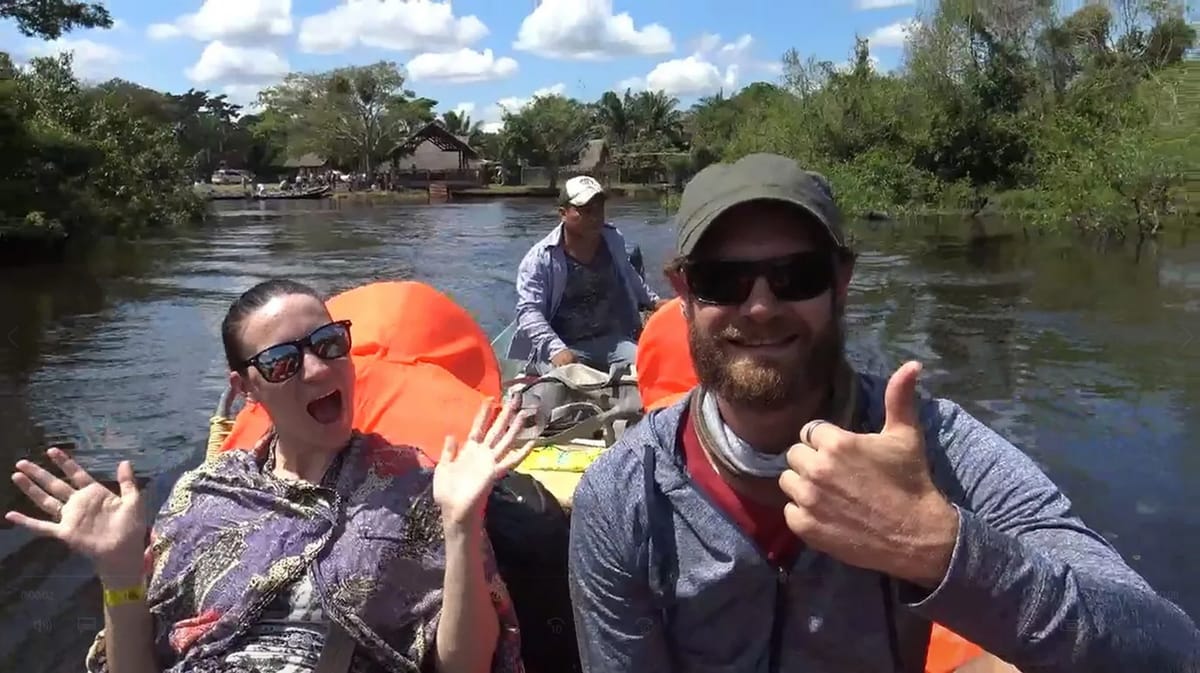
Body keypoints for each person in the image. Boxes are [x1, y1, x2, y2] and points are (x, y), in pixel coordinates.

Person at [566, 153, 1200, 672]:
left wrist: (938, 549)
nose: (759, 307)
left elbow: (1171, 651)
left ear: (841, 282)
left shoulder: (937, 449)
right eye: (722, 280)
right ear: (682, 292)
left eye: (796, 275)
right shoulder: (624, 496)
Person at [6, 279, 530, 673]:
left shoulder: (419, 486)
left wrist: (461, 527)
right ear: (246, 389)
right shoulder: (202, 497)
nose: (317, 369)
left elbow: (466, 666)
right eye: (281, 362)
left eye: (328, 343)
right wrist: (121, 577)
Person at [508, 175, 665, 374]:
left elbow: (628, 274)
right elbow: (529, 311)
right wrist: (556, 349)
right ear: (563, 213)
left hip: (611, 342)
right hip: (562, 345)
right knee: (566, 381)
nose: (596, 217)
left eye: (599, 209)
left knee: (653, 364)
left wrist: (655, 302)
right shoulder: (540, 259)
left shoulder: (612, 239)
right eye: (586, 210)